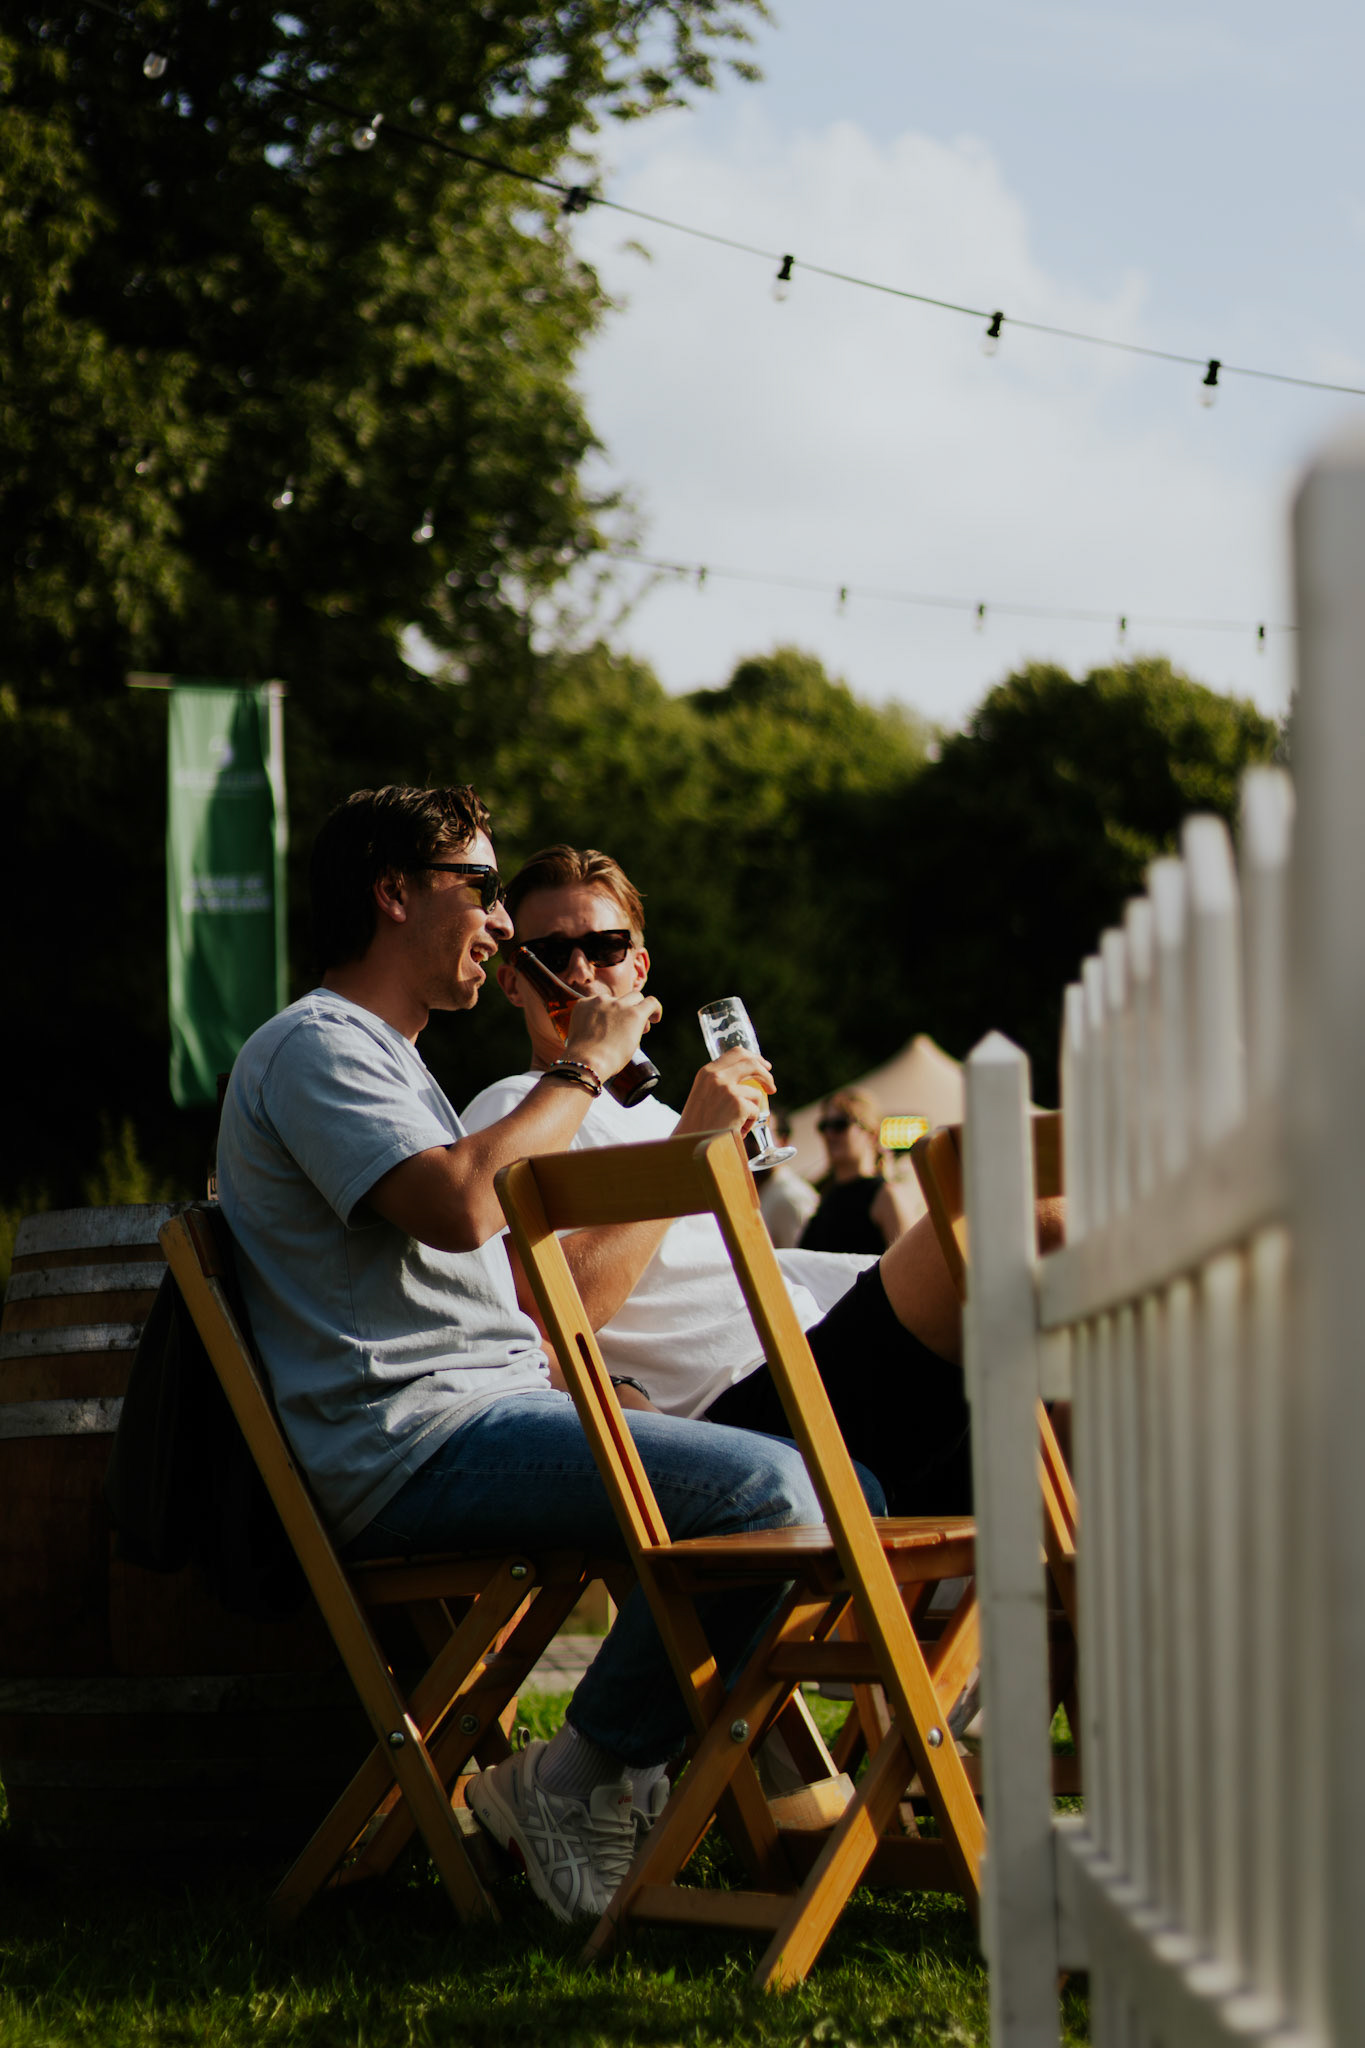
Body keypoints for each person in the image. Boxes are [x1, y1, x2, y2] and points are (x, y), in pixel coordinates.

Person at [215, 786, 845, 1928]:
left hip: (480, 1413)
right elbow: (460, 1210)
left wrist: (595, 1381)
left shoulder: (394, 1061)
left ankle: (655, 1782)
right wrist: (584, 1069)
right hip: (409, 1445)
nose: (502, 922)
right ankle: (578, 1779)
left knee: (765, 1465)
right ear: (394, 892)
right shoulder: (315, 1046)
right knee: (768, 1486)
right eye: (483, 887)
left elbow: (475, 1288)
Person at [462, 845, 980, 1518]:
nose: (582, 974)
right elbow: (536, 1315)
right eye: (550, 955)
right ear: (512, 983)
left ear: (639, 968)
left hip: (815, 1362)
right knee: (1020, 1231)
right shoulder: (514, 1110)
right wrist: (686, 1156)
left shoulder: (670, 1117)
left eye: (606, 947)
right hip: (745, 1421)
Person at [797, 1087, 919, 1254]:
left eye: (840, 1125)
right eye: (823, 1126)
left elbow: (910, 1263)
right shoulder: (826, 1195)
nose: (829, 1134)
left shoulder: (885, 1195)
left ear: (871, 1134)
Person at [757, 1108, 820, 1249]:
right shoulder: (767, 1191)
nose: (746, 1144)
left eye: (760, 1134)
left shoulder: (790, 1196)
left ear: (783, 1140)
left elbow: (802, 1261)